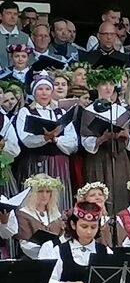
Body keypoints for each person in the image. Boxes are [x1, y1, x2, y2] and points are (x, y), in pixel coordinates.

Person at [16, 72, 77, 210]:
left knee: (59, 200)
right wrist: (44, 138)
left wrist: (55, 139)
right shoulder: (26, 112)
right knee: (36, 199)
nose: (44, 93)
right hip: (35, 161)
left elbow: (73, 143)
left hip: (59, 163)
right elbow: (25, 139)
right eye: (40, 89)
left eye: (47, 89)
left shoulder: (60, 112)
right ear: (34, 92)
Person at [82, 67, 130, 212]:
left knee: (120, 194)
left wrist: (125, 136)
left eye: (111, 84)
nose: (108, 88)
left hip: (119, 156)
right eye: (104, 84)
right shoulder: (89, 111)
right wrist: (102, 138)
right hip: (99, 157)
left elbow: (129, 141)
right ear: (97, 87)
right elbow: (85, 140)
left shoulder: (121, 110)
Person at [0, 1, 33, 68]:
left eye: (15, 14)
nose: (12, 17)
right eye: (9, 13)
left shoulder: (25, 37)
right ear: (0, 16)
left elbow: (31, 60)